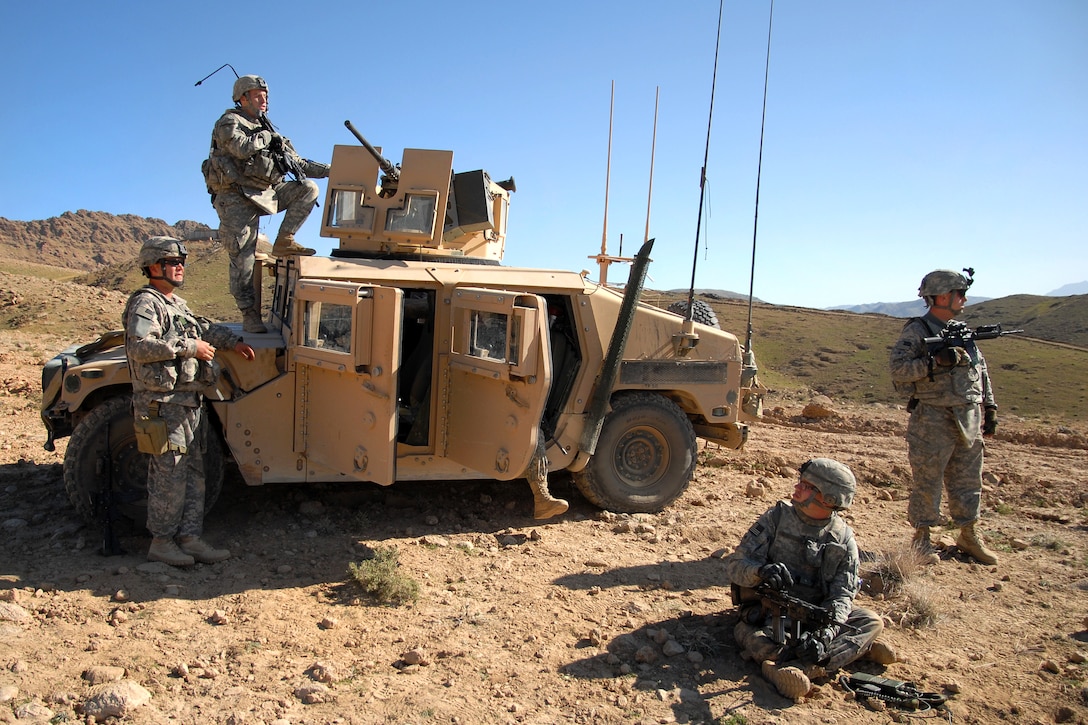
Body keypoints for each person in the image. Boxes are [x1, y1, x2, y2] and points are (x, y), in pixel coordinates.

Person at [123, 237, 256, 566]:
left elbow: (203, 329)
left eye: (180, 261)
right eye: (172, 261)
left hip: (186, 403)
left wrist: (233, 342)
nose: (180, 266)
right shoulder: (146, 303)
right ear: (154, 267)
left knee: (194, 473)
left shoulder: (175, 304)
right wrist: (188, 348)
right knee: (169, 475)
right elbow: (140, 346)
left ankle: (190, 538)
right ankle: (162, 542)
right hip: (161, 404)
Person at [722, 458, 892, 701]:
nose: (796, 488)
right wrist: (761, 571)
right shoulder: (776, 519)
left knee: (872, 621)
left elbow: (842, 594)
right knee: (757, 638)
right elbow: (736, 566)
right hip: (774, 616)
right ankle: (851, 652)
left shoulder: (843, 538)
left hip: (817, 618)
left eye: (806, 485)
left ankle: (801, 669)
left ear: (827, 498)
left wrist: (827, 633)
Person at [203, 74, 330, 333]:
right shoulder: (229, 121)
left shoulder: (270, 131)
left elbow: (298, 163)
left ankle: (285, 241)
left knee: (307, 188)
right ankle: (250, 316)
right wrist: (266, 138)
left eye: (266, 96)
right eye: (258, 96)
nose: (264, 101)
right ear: (243, 98)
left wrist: (332, 169)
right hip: (235, 196)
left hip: (264, 192)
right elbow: (240, 149)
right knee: (243, 256)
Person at [889, 268, 999, 566]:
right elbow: (899, 370)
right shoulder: (919, 331)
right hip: (932, 417)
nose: (964, 299)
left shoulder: (962, 331)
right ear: (940, 296)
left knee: (968, 480)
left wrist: (989, 407)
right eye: (958, 294)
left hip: (968, 416)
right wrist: (934, 361)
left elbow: (980, 371)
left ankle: (968, 534)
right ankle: (922, 539)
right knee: (928, 480)